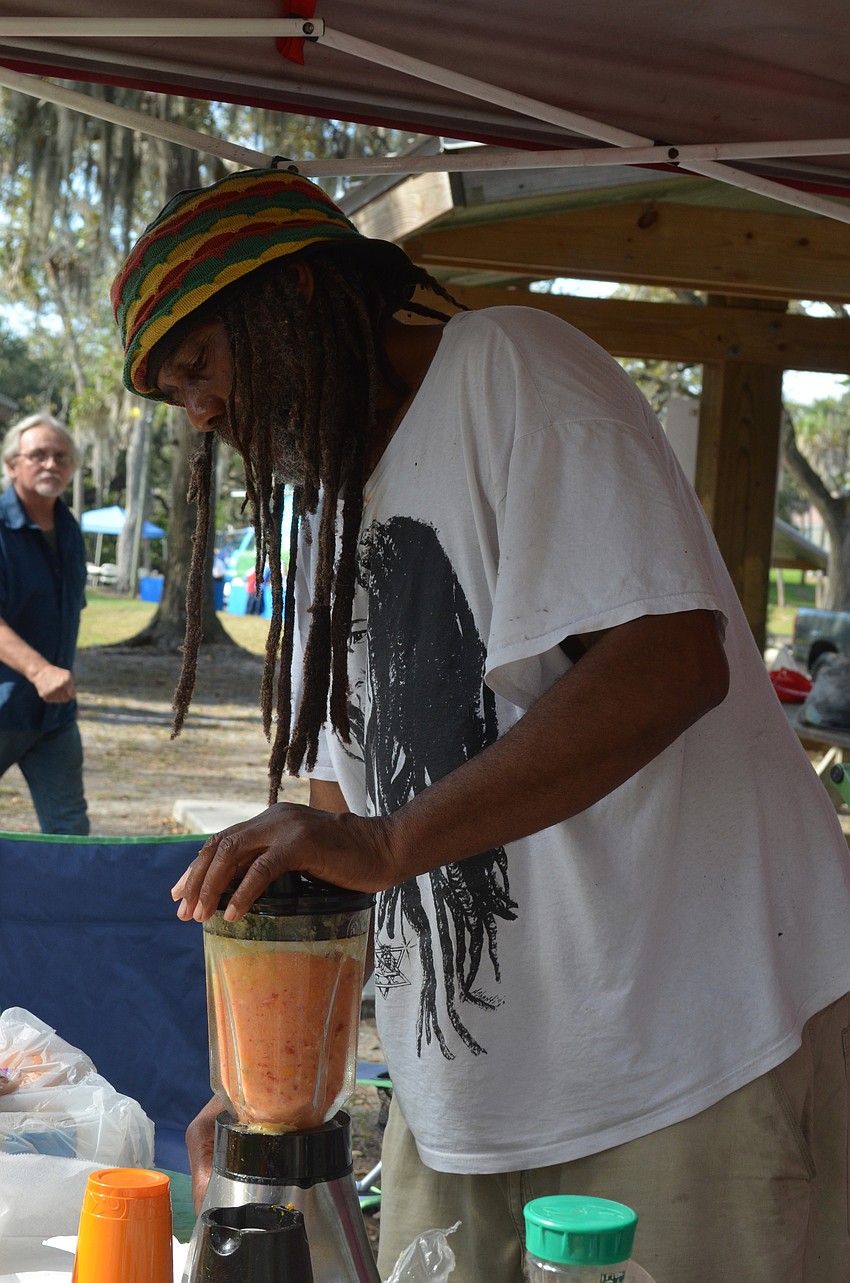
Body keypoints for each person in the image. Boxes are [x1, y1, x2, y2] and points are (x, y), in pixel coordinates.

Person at [112, 168, 850, 1283]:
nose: (200, 411)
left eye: (201, 363)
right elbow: (338, 821)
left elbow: (669, 659)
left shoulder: (510, 369)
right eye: (176, 395)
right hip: (467, 1095)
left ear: (299, 295)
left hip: (681, 1058)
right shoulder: (326, 511)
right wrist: (279, 1083)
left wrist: (387, 843)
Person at [0, 413, 89, 835]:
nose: (51, 464)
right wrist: (39, 670)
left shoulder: (69, 529)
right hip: (5, 705)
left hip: (54, 717)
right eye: (38, 455)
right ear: (12, 465)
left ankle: (72, 886)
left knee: (69, 833)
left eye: (61, 457)